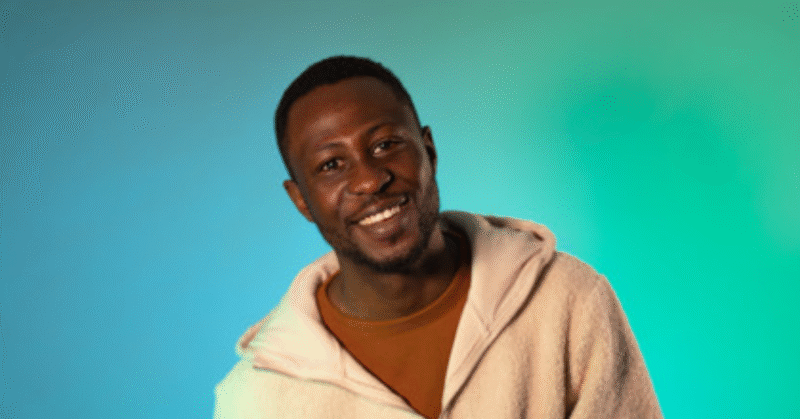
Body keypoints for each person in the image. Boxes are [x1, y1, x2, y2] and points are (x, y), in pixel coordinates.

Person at [214, 56, 662, 419]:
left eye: (385, 144)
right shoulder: (255, 398)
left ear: (428, 149)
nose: (369, 180)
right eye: (331, 165)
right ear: (300, 199)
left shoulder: (569, 301)